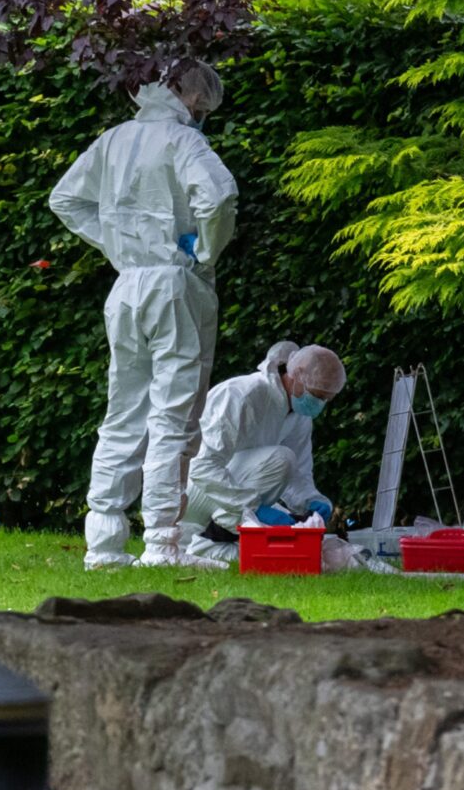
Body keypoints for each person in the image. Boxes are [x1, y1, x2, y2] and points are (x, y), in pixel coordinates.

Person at [49, 58, 239, 570]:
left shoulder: (113, 141)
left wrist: (116, 241)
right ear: (190, 98)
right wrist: (205, 250)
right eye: (203, 105)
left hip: (126, 286)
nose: (203, 113)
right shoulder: (185, 143)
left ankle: (104, 545)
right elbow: (219, 197)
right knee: (172, 418)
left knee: (123, 413)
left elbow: (66, 200)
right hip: (175, 284)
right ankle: (162, 545)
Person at [181, 341, 347, 563]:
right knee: (282, 458)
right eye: (317, 396)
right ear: (296, 376)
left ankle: (224, 544)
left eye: (326, 399)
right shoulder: (242, 395)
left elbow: (297, 475)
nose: (319, 404)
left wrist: (312, 501)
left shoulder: (299, 416)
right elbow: (202, 467)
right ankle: (207, 541)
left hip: (233, 494)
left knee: (285, 477)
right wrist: (253, 509)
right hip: (193, 492)